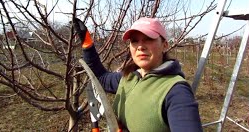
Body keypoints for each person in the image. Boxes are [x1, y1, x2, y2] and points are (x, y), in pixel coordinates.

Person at [73, 17, 203, 132]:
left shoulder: (176, 91)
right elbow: (101, 78)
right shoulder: (129, 77)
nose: (140, 46)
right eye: (134, 41)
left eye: (149, 39)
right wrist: (88, 45)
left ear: (165, 45)